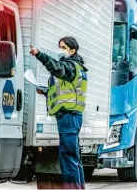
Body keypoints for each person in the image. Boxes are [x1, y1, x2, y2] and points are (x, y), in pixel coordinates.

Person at [30, 36, 88, 189]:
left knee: (68, 159)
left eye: (63, 47)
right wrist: (45, 91)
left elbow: (56, 67)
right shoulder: (76, 67)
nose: (60, 49)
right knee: (74, 159)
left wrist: (39, 55)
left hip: (69, 117)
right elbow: (64, 91)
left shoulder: (70, 66)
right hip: (71, 116)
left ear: (72, 50)